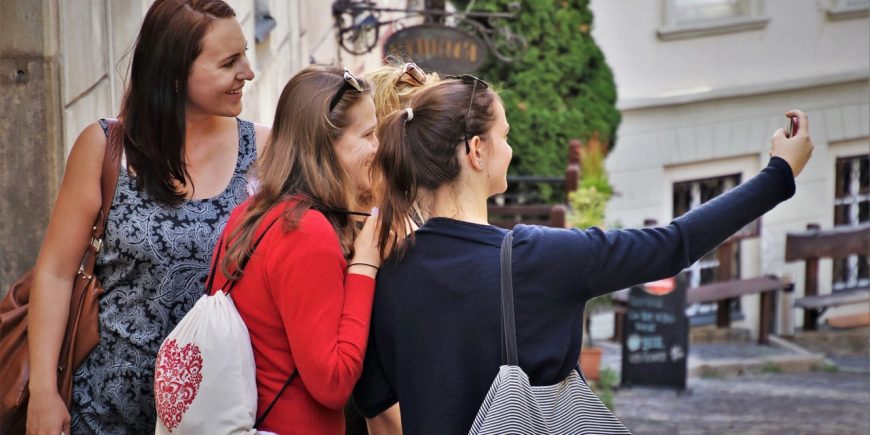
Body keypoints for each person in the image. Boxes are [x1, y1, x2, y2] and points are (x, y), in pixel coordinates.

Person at [352, 76, 814, 434]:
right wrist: (777, 175)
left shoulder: (385, 273)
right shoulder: (539, 258)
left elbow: (381, 415)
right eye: (505, 135)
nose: (509, 149)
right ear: (476, 150)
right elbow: (675, 244)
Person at [26, 1, 267, 433]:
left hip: (220, 417)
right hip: (104, 414)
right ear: (174, 74)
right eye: (229, 62)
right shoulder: (104, 148)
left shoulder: (264, 154)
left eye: (245, 54)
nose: (248, 72)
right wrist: (44, 391)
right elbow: (55, 273)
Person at [207, 65, 381, 434]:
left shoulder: (251, 211)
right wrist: (365, 265)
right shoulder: (304, 230)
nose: (378, 147)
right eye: (368, 134)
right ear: (326, 144)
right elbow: (332, 383)